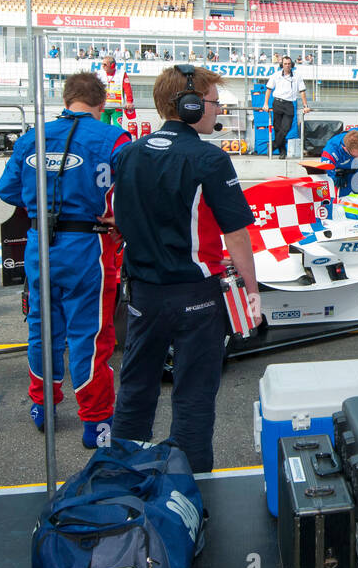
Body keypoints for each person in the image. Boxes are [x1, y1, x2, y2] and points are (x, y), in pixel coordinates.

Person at [111, 65, 260, 473]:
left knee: (136, 389)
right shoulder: (209, 158)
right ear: (190, 105)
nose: (219, 111)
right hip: (196, 296)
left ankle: (124, 476)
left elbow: (118, 220)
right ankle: (189, 489)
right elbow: (237, 234)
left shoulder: (127, 153)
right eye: (214, 103)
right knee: (193, 394)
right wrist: (251, 290)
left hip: (142, 293)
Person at [0, 71, 130, 449]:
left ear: (66, 99)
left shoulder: (31, 138)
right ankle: (97, 421)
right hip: (89, 245)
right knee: (91, 334)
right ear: (102, 104)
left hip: (40, 244)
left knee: (42, 327)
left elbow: (8, 191)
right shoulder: (114, 138)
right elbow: (137, 188)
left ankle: (42, 406)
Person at [260, 55, 311, 158]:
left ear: (291, 65)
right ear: (281, 65)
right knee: (278, 129)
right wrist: (265, 104)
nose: (287, 66)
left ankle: (273, 145)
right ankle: (282, 152)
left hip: (289, 104)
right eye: (285, 64)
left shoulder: (297, 76)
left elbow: (302, 92)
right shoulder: (276, 75)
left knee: (285, 129)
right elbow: (269, 89)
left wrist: (305, 106)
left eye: (289, 64)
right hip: (277, 103)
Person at [319, 127, 358, 197]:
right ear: (345, 149)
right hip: (342, 173)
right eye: (357, 156)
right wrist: (333, 178)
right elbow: (325, 180)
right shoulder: (330, 152)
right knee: (343, 199)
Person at [98, 54, 136, 127]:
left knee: (117, 129)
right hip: (103, 107)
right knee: (103, 129)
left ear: (112, 65)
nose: (103, 66)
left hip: (117, 107)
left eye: (105, 64)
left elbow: (128, 89)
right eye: (102, 64)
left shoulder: (121, 74)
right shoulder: (99, 74)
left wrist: (129, 101)